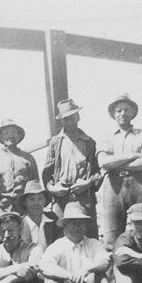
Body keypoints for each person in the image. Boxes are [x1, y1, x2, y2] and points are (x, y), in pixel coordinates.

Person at [39, 202, 121, 283]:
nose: (77, 227)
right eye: (73, 222)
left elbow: (104, 261)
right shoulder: (57, 246)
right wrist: (69, 275)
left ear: (86, 226)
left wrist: (87, 269)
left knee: (99, 274)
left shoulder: (94, 244)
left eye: (80, 223)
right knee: (51, 279)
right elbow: (45, 266)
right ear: (64, 226)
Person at [97, 94, 142, 250]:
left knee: (141, 229)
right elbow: (103, 162)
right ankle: (113, 272)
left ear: (132, 113)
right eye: (119, 111)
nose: (122, 114)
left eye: (126, 110)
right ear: (113, 114)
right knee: (111, 235)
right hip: (113, 186)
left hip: (138, 183)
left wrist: (117, 163)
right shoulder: (107, 137)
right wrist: (131, 156)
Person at [41, 98, 101, 239]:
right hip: (61, 198)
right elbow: (46, 174)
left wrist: (88, 183)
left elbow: (98, 172)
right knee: (59, 236)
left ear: (78, 117)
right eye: (66, 119)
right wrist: (53, 189)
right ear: (61, 121)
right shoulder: (55, 143)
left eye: (72, 118)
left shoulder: (89, 143)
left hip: (83, 196)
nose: (69, 123)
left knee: (88, 235)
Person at [0, 119, 39, 215]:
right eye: (6, 133)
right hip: (1, 209)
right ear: (1, 137)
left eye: (13, 132)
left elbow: (35, 185)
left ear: (19, 135)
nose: (11, 136)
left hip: (24, 209)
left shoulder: (28, 158)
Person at [17, 179, 63, 251]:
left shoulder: (52, 219)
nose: (36, 203)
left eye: (40, 199)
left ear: (45, 201)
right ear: (25, 202)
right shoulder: (20, 224)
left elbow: (60, 244)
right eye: (32, 199)